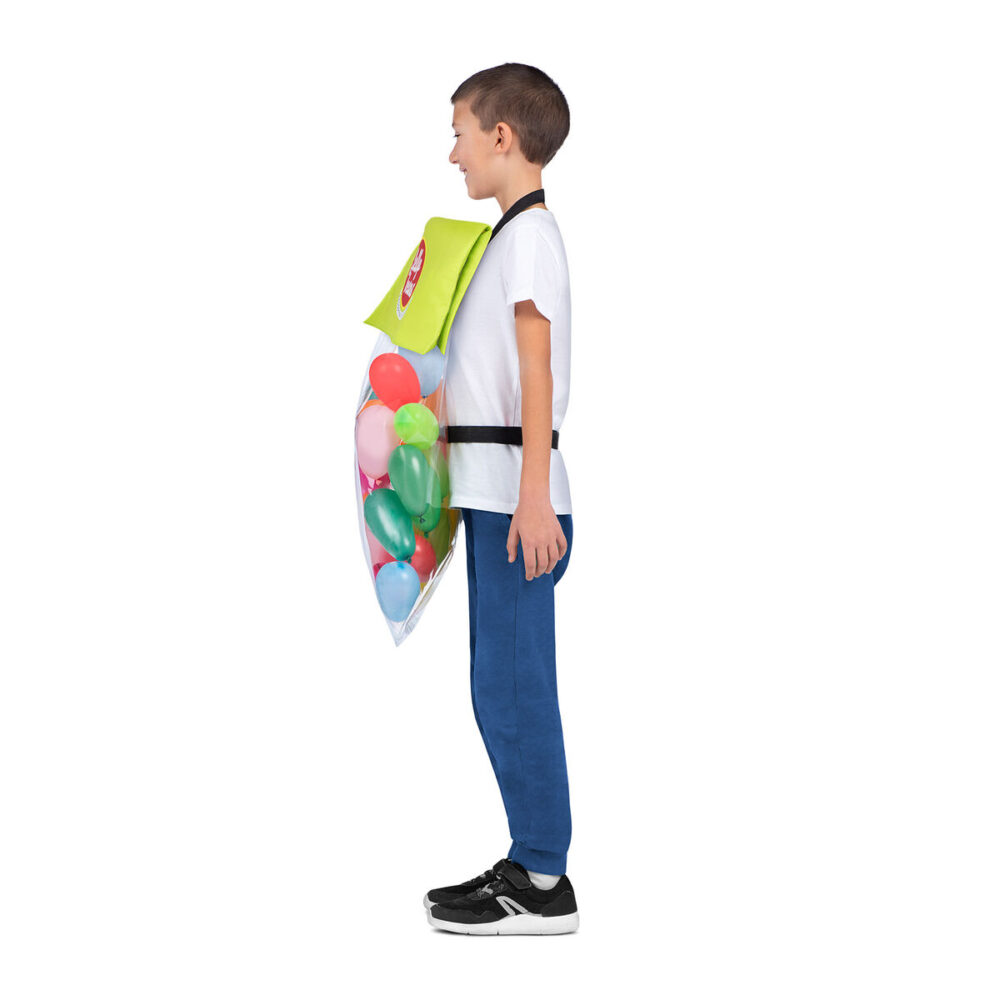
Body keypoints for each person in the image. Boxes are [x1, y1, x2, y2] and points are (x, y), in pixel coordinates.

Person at [423, 63, 579, 936]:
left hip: (521, 503)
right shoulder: (504, 238)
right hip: (493, 494)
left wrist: (533, 498)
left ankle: (544, 879)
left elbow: (535, 371)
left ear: (502, 136)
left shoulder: (529, 239)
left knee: (516, 689)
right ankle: (529, 860)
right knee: (496, 686)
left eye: (459, 133)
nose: (453, 153)